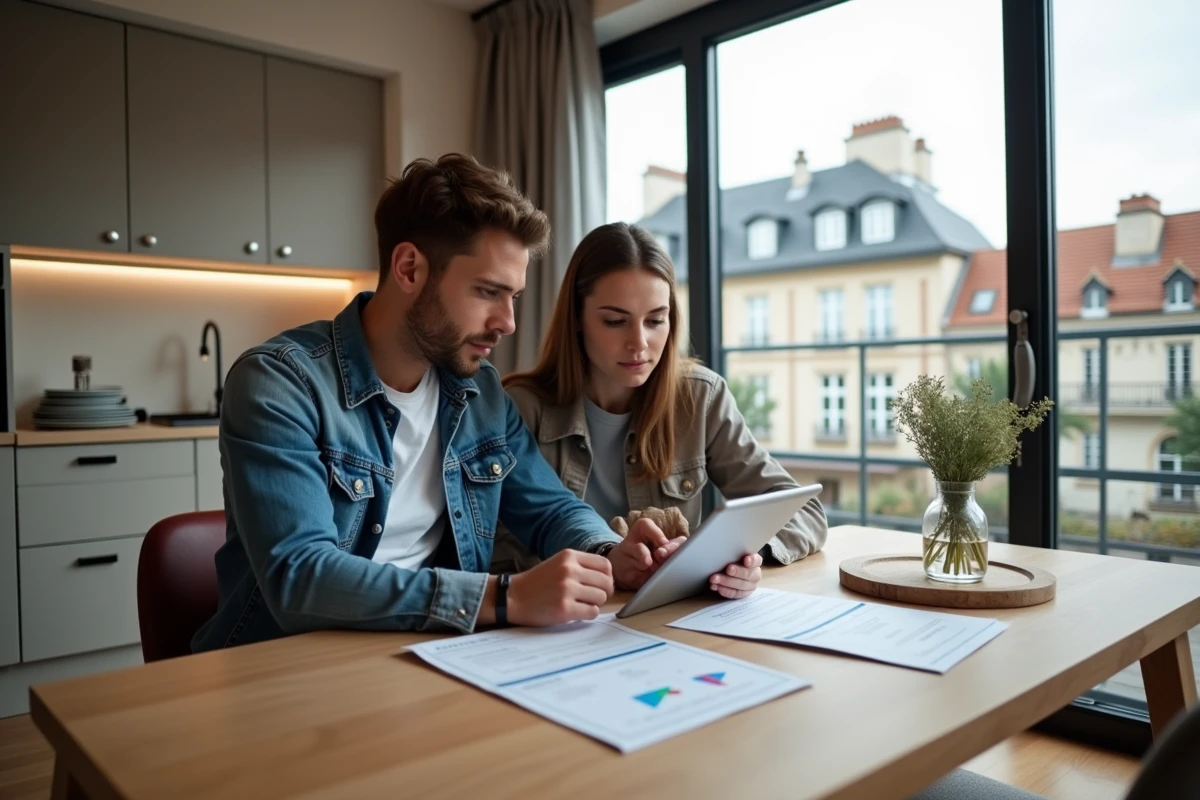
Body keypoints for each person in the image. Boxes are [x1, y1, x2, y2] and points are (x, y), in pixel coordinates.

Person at [192, 156, 684, 652]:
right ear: (409, 269)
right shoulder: (280, 383)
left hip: (431, 653)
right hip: (289, 666)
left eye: (512, 296)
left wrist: (608, 551)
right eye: (488, 292)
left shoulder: (479, 392)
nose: (508, 322)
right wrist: (504, 596)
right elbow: (301, 579)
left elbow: (551, 510)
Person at [493, 222, 828, 599]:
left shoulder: (700, 398)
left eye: (655, 320)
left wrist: (743, 559)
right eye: (615, 321)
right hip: (562, 627)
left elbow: (805, 512)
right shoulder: (518, 408)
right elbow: (498, 556)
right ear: (576, 320)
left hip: (668, 622)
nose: (639, 343)